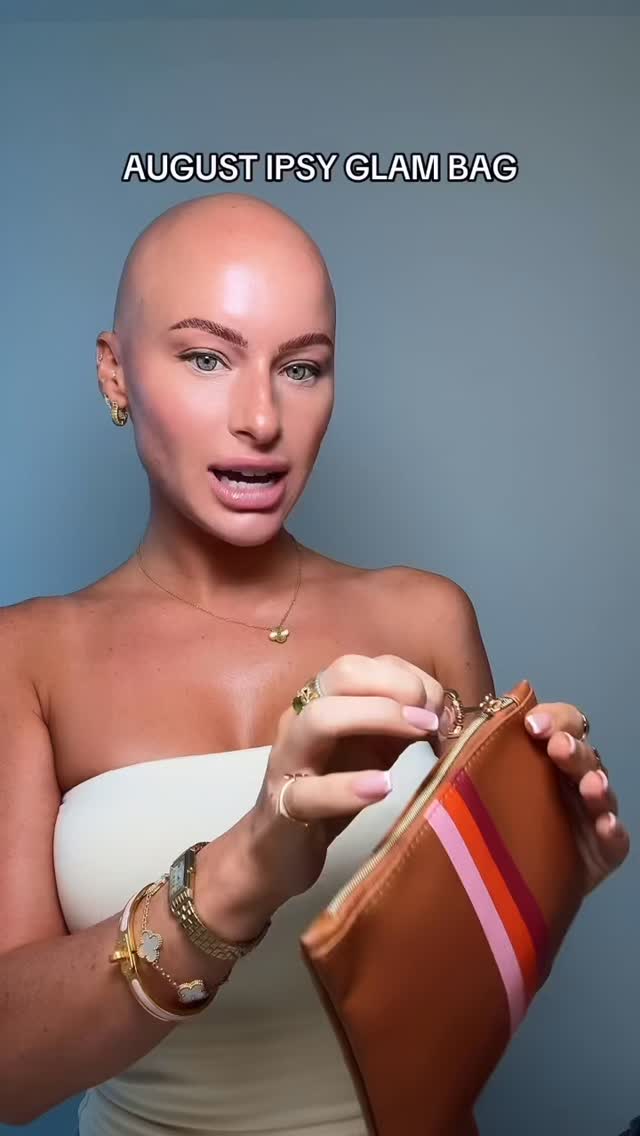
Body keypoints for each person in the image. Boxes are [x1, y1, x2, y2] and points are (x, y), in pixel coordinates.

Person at [0, 193, 629, 1136]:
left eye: (302, 368)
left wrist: (547, 864)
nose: (262, 418)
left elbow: (461, 999)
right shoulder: (25, 658)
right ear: (115, 371)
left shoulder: (425, 616)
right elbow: (10, 1076)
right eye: (206, 358)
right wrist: (241, 870)